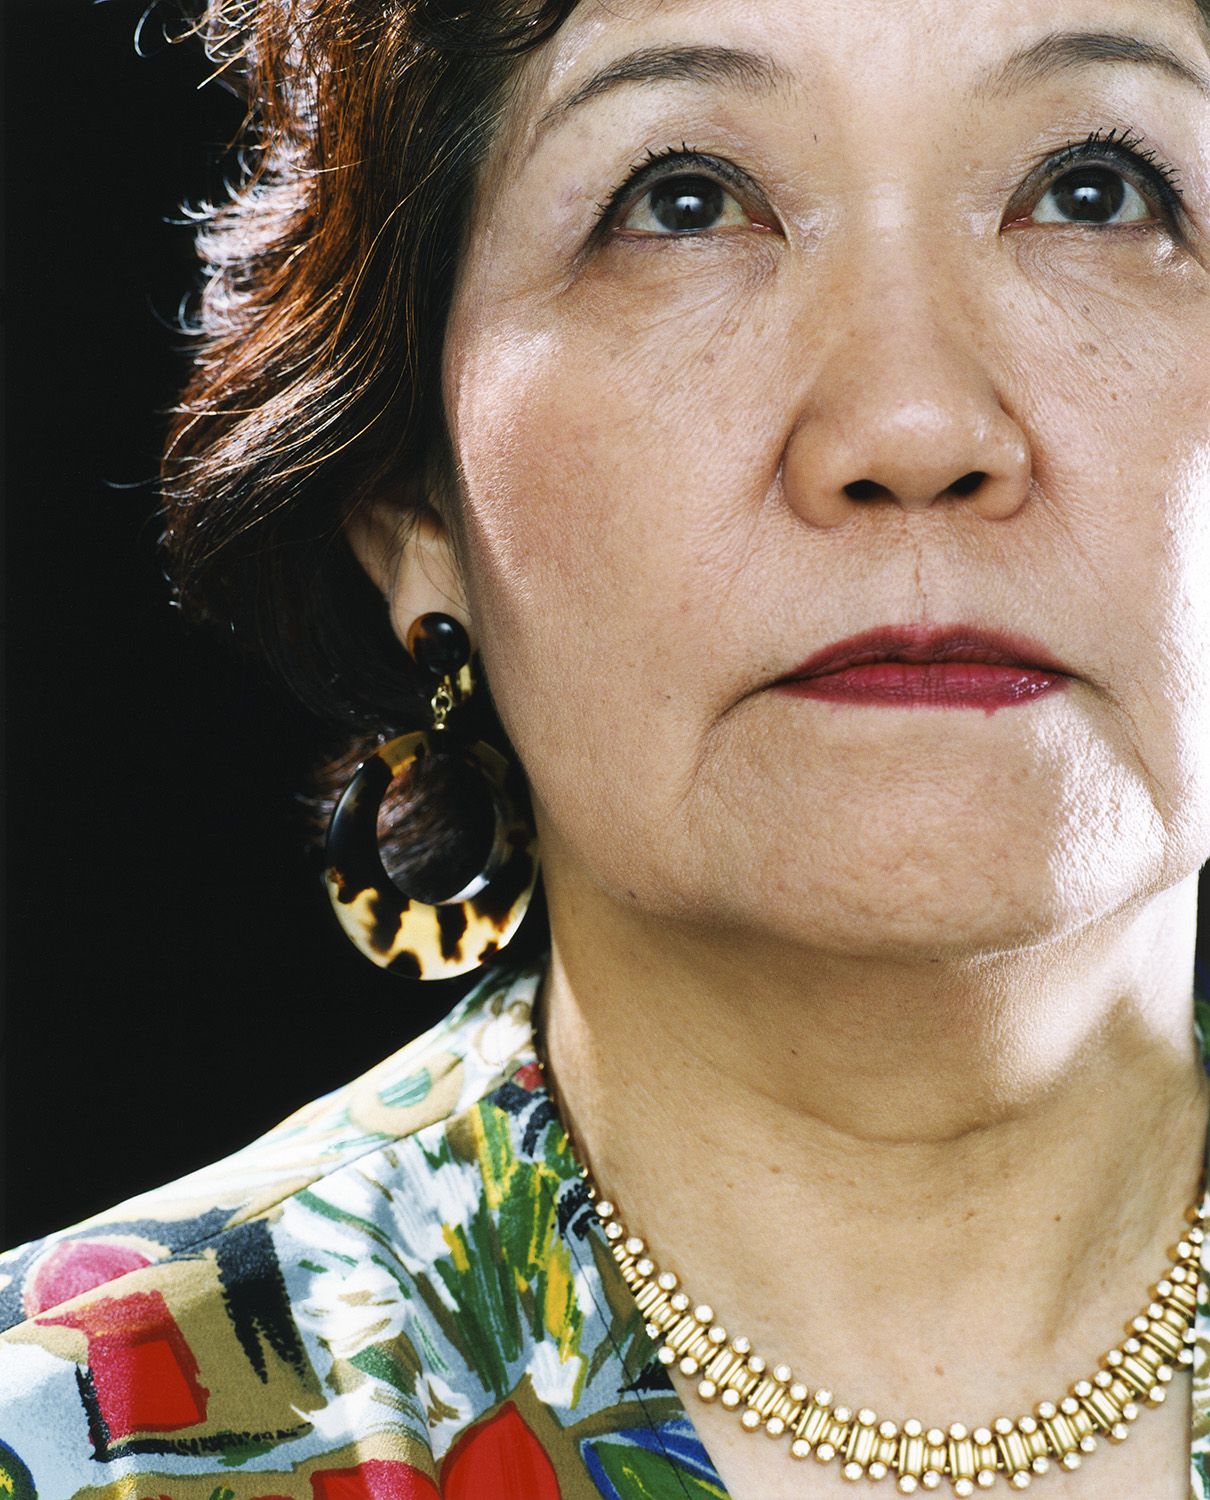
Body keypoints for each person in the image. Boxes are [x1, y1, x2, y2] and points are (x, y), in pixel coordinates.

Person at [2, 0, 1208, 1493]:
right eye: (682, 203)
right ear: (414, 509)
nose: (913, 428)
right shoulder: (67, 1445)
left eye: (1095, 191)